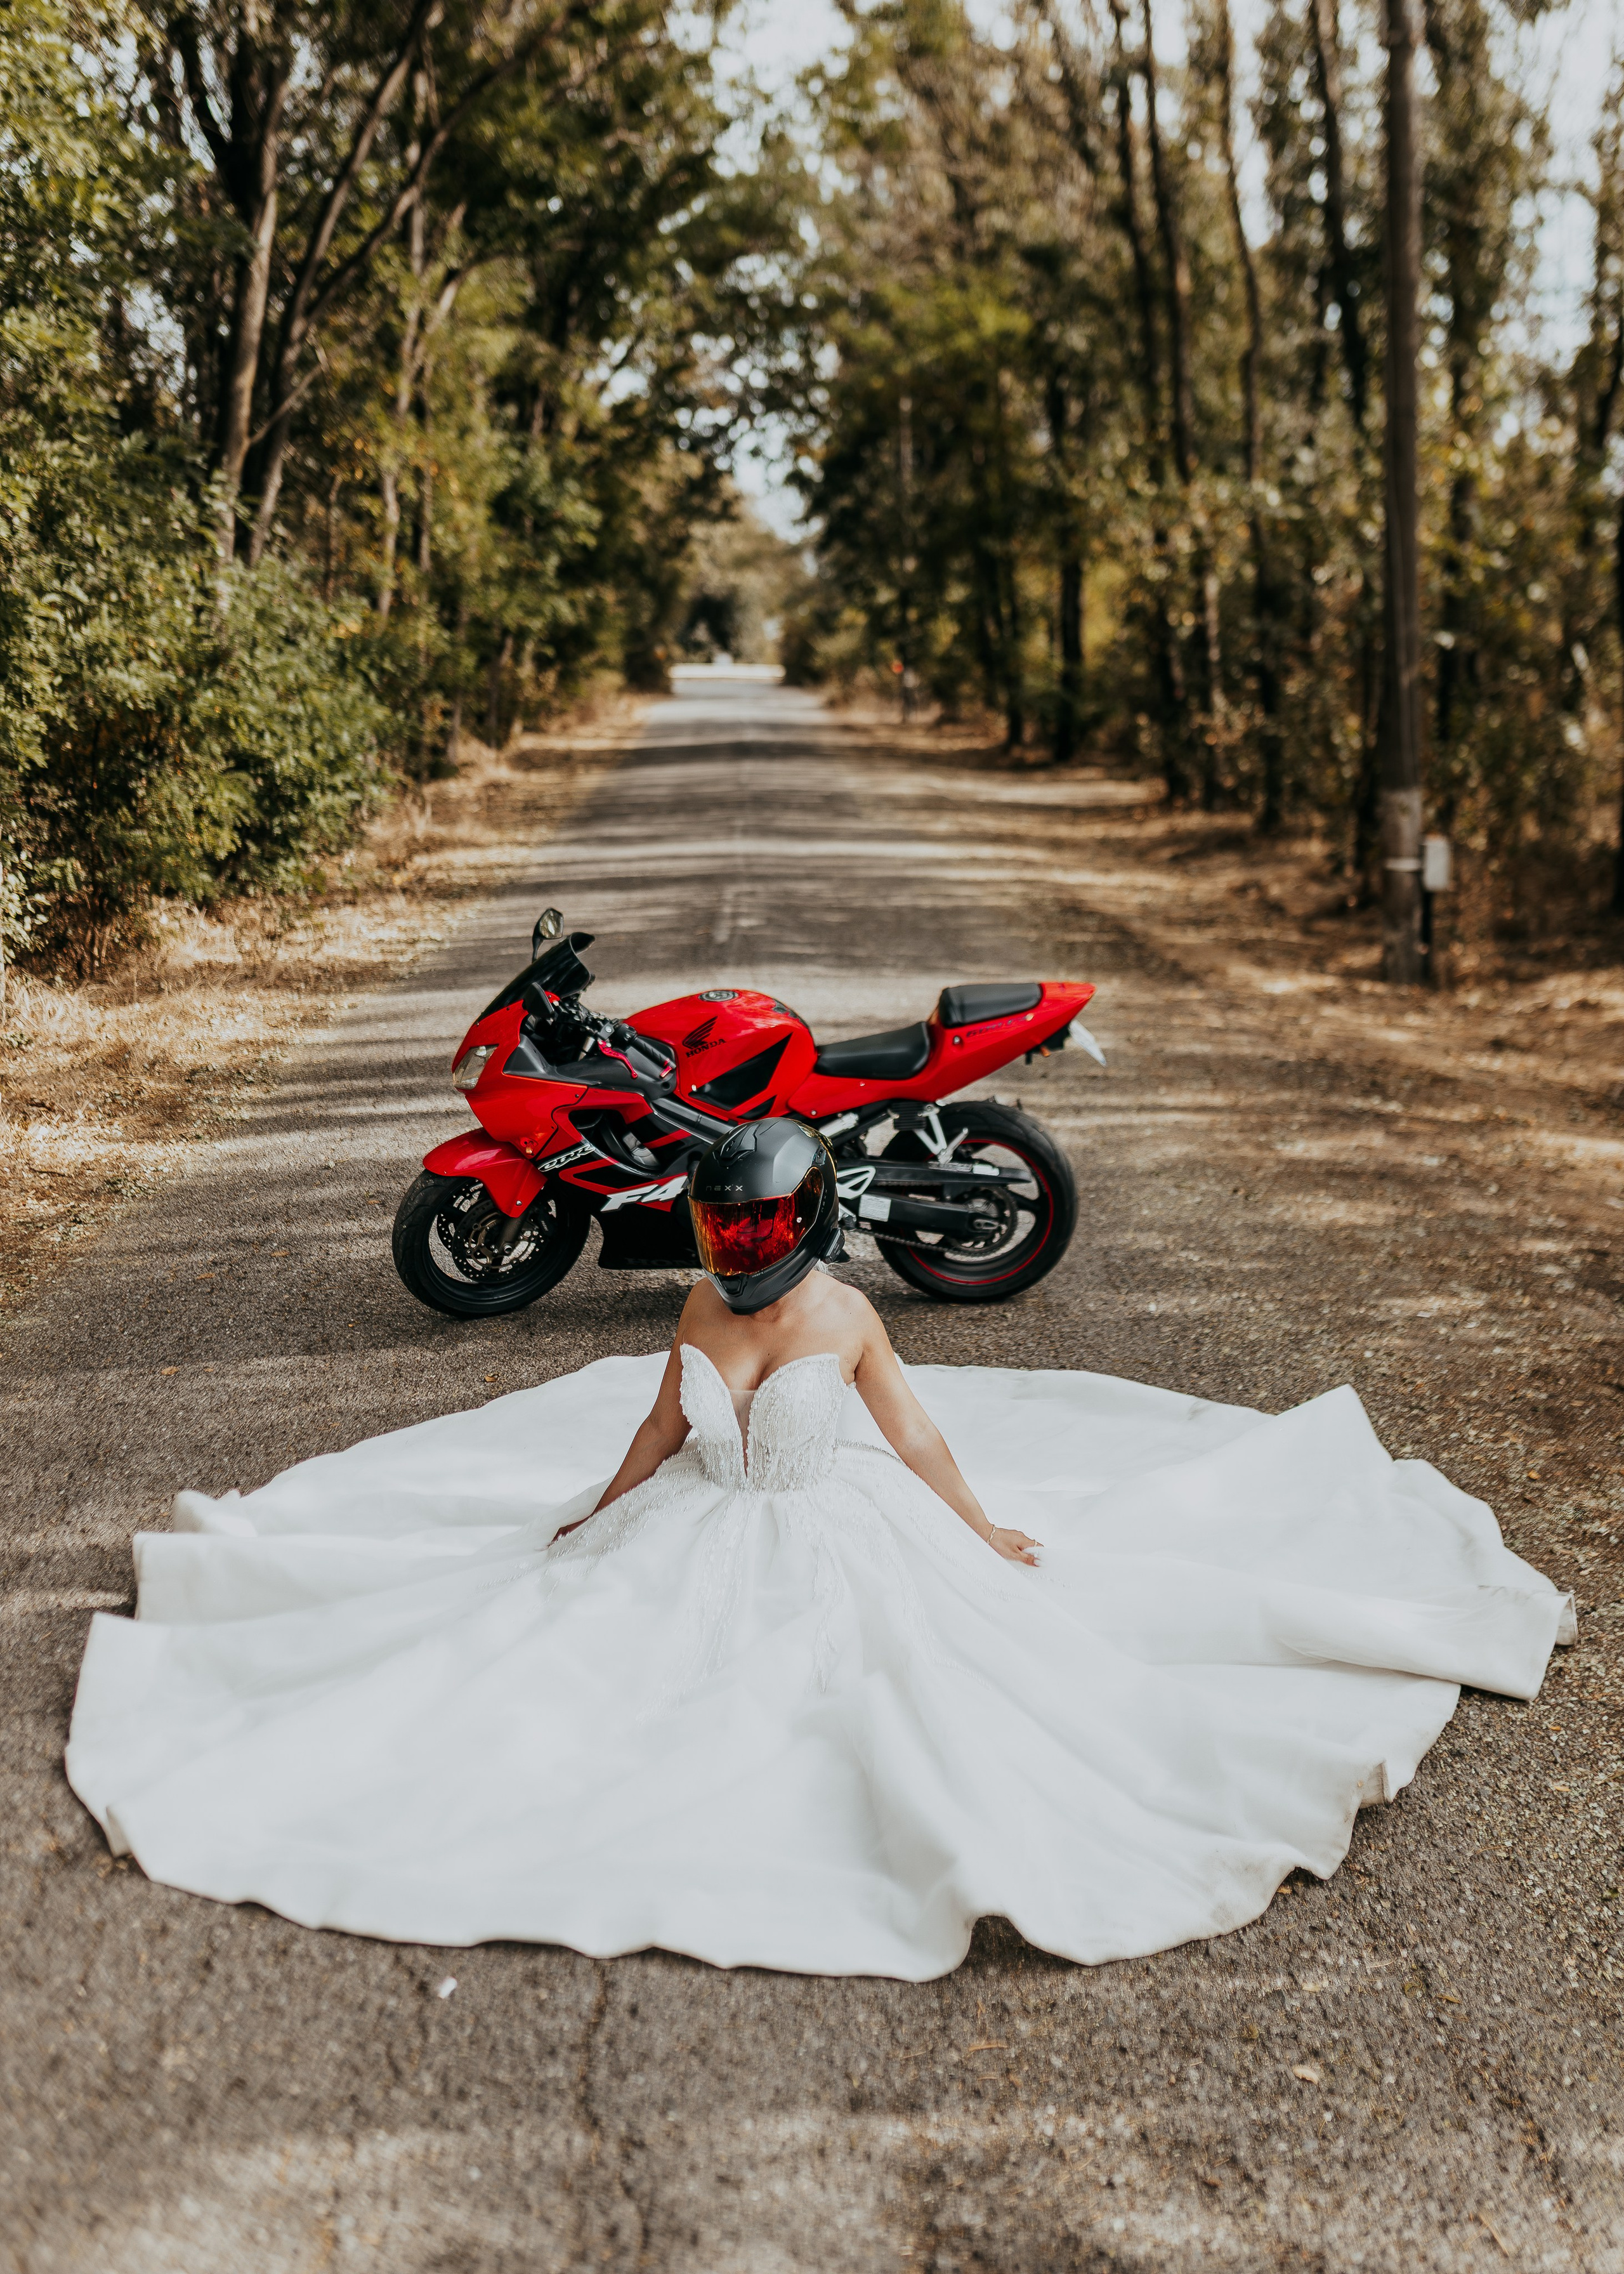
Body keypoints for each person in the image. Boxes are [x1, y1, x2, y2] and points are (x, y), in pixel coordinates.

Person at [65, 1119, 1572, 1981]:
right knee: (526, 1686)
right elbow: (666, 1425)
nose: (737, 1249)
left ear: (797, 1219)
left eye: (755, 1224)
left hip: (835, 1535)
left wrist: (974, 1526)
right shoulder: (703, 1308)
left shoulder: (844, 1313)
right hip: (682, 1534)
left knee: (909, 1711)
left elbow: (908, 1440)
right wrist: (594, 1508)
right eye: (724, 1228)